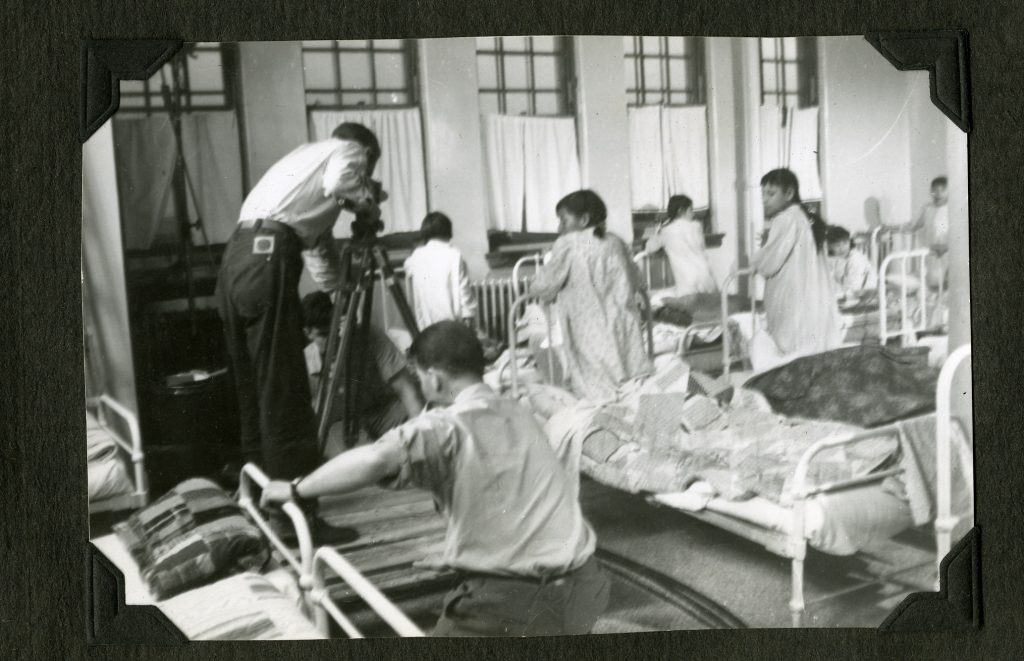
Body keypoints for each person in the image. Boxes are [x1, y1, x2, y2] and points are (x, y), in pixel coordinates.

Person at [260, 321, 610, 637]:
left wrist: (295, 488)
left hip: (519, 600)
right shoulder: (520, 412)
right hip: (588, 587)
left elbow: (375, 459)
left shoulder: (446, 426)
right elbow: (511, 496)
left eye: (418, 375)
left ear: (434, 378)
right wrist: (464, 552)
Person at [215, 122, 382, 482]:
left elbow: (320, 250)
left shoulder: (304, 162)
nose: (363, 177)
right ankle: (294, 513)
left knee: (252, 387)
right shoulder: (348, 149)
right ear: (365, 153)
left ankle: (258, 494)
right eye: (366, 172)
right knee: (284, 390)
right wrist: (366, 205)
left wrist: (342, 294)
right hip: (268, 258)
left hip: (236, 260)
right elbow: (342, 183)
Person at [529, 190, 652, 401]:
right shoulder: (616, 242)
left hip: (590, 330)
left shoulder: (569, 244)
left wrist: (543, 286)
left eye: (563, 221)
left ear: (584, 219)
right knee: (631, 379)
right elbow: (638, 281)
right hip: (624, 324)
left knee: (597, 387)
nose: (559, 228)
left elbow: (542, 286)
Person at [300, 292, 425, 448]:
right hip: (342, 425)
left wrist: (422, 439)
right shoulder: (304, 363)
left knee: (427, 423)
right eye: (324, 335)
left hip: (383, 411)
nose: (334, 340)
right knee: (366, 462)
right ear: (307, 333)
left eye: (335, 331)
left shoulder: (369, 335)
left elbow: (407, 391)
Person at [750, 169, 841, 361]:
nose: (765, 200)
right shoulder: (805, 217)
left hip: (793, 301)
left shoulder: (785, 219)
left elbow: (768, 263)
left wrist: (755, 260)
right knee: (810, 351)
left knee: (790, 352)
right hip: (812, 300)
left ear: (789, 194)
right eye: (763, 194)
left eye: (771, 194)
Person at [403, 212, 478, 329]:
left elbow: (407, 267)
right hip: (452, 326)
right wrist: (468, 317)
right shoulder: (454, 255)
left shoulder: (415, 257)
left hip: (425, 326)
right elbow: (464, 292)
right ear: (448, 232)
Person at [644, 194, 718, 297]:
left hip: (687, 278)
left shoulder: (666, 231)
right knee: (709, 301)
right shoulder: (696, 226)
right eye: (690, 210)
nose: (693, 214)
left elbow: (650, 248)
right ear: (680, 210)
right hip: (705, 273)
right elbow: (701, 246)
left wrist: (658, 233)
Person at [902, 176, 950, 290]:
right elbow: (913, 226)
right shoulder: (927, 208)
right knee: (933, 286)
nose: (938, 194)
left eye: (942, 190)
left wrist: (947, 247)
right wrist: (890, 227)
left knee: (946, 287)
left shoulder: (953, 209)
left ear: (948, 191)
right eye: (934, 190)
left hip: (947, 254)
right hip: (931, 254)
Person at [826, 225, 877, 295]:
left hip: (865, 291)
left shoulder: (855, 258)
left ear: (849, 242)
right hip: (849, 289)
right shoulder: (833, 259)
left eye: (845, 243)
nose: (842, 248)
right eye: (837, 245)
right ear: (830, 246)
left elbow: (855, 284)